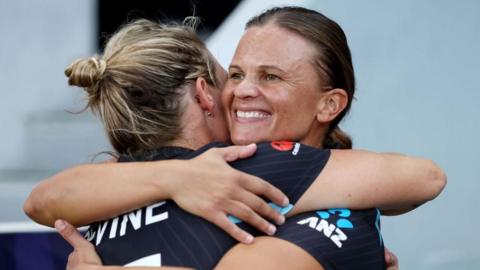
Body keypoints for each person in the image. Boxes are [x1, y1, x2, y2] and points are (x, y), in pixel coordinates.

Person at [25, 7, 445, 270]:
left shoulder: (116, 190)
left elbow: (42, 200)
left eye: (271, 77)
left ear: (329, 105)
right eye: (238, 74)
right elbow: (42, 200)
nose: (243, 90)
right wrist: (181, 177)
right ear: (206, 93)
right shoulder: (220, 167)